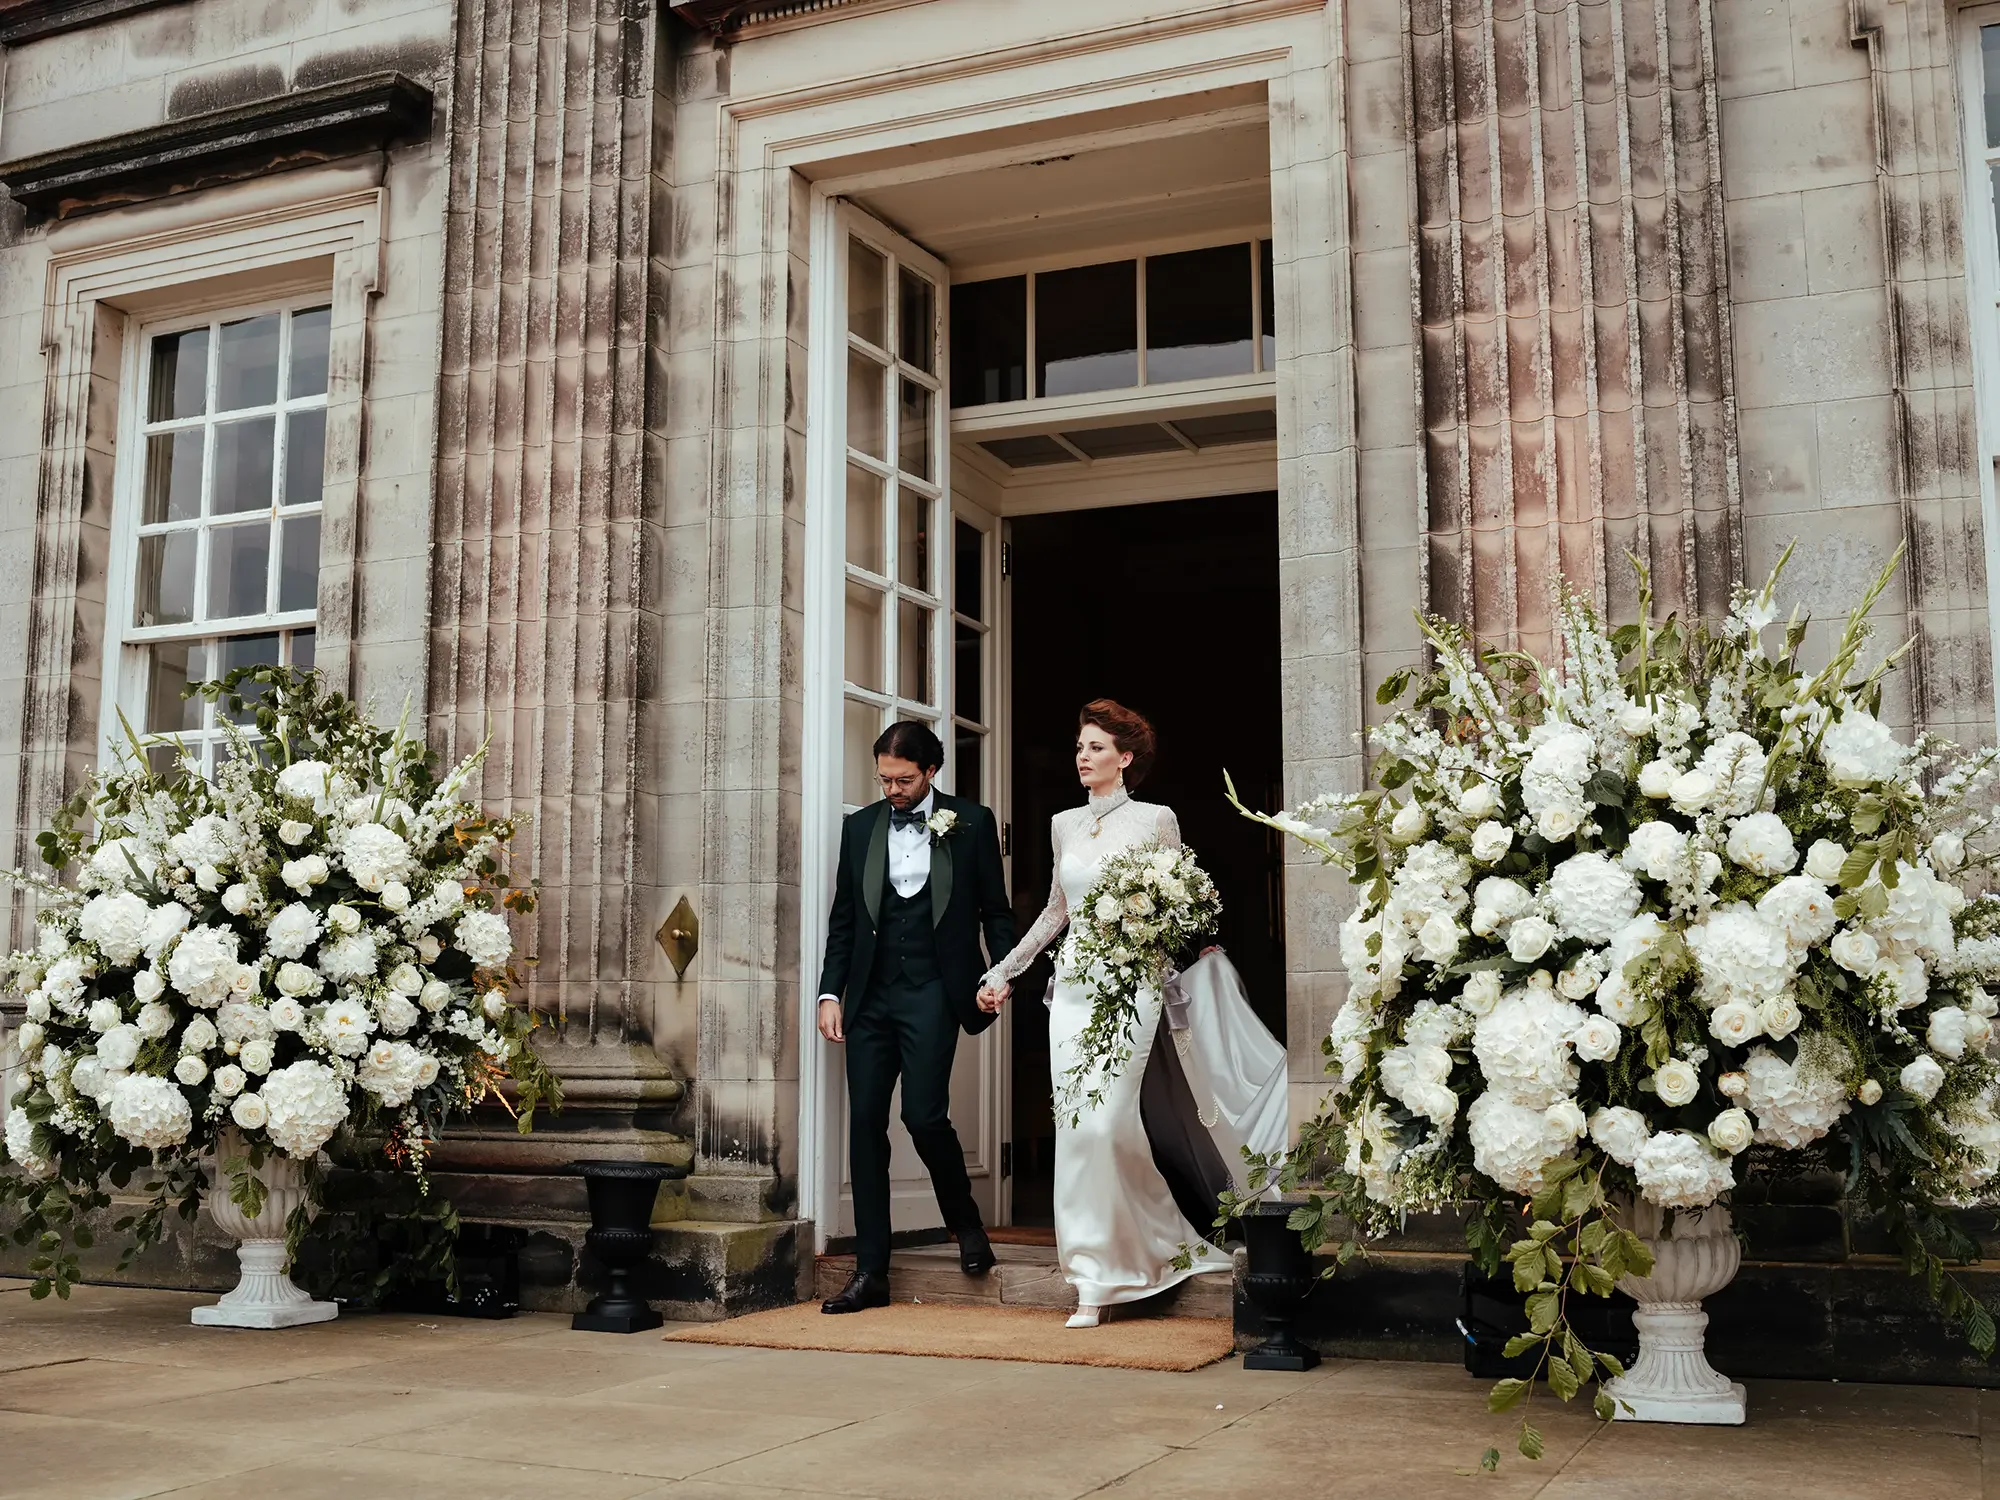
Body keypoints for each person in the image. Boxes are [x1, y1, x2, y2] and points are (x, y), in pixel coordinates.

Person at [977, 699, 1240, 1328]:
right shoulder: (1064, 823)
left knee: (1108, 1128)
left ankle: (1154, 1249)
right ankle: (1093, 1275)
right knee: (1077, 1132)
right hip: (1072, 989)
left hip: (1133, 985)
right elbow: (1054, 912)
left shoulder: (1157, 820)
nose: (1083, 757)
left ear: (1126, 758)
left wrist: (1163, 941)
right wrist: (1004, 970)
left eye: (1096, 747)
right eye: (1079, 747)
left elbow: (1181, 903)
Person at [815, 721, 1019, 1314]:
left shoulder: (973, 823)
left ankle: (967, 1224)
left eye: (904, 779)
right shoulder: (860, 829)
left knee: (925, 1115)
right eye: (884, 779)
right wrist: (832, 993)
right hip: (870, 995)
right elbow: (845, 920)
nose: (893, 789)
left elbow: (995, 913)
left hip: (933, 989)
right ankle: (871, 1270)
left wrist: (998, 974)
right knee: (865, 1126)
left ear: (931, 772)